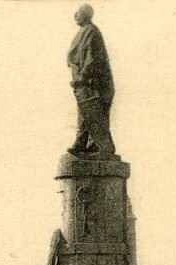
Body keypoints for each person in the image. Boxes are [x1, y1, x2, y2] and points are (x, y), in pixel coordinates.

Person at [66, 4, 115, 158]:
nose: (75, 16)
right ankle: (82, 143)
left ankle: (99, 147)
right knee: (85, 113)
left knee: (94, 113)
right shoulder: (83, 32)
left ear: (86, 15)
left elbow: (92, 60)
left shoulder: (92, 33)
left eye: (78, 13)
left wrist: (81, 77)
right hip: (85, 85)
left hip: (95, 85)